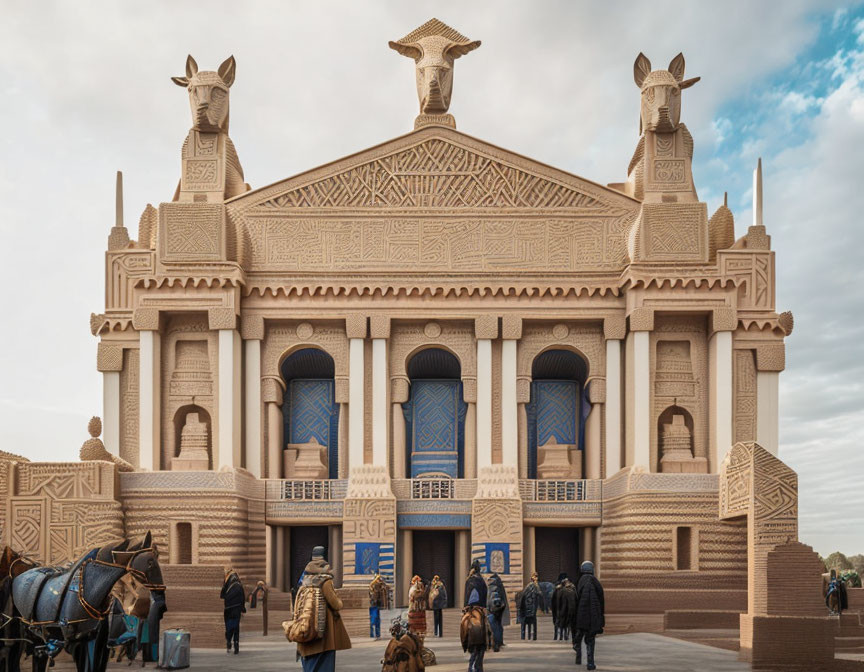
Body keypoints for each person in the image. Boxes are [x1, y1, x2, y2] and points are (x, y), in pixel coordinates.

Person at [295, 546, 352, 671]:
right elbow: (336, 604)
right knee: (324, 664)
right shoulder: (325, 580)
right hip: (324, 634)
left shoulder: (304, 580)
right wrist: (339, 600)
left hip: (307, 628)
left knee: (310, 663)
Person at [571, 561, 604, 671]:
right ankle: (590, 663)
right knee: (591, 639)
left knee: (580, 635)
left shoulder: (579, 582)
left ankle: (578, 656)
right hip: (594, 615)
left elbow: (575, 601)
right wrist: (601, 618)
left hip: (582, 615)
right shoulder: (597, 583)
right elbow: (601, 601)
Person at [461, 574, 492, 672]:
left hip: (469, 608)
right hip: (480, 608)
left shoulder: (468, 580)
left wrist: (465, 606)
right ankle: (479, 665)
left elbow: (466, 595)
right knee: (487, 629)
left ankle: (470, 665)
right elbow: (485, 595)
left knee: (464, 627)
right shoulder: (481, 580)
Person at [220, 569, 246, 655]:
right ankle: (236, 643)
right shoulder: (239, 585)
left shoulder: (228, 584)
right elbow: (243, 598)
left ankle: (228, 641)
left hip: (228, 609)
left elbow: (222, 595)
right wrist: (242, 609)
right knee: (236, 627)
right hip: (237, 609)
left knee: (229, 626)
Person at [485, 573, 509, 652]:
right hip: (499, 610)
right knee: (498, 627)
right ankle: (499, 643)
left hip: (491, 610)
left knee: (493, 627)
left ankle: (494, 644)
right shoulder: (499, 586)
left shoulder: (490, 586)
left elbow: (488, 599)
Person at [518, 572, 542, 640]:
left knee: (525, 623)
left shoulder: (527, 586)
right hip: (531, 608)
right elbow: (540, 594)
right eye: (536, 577)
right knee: (533, 622)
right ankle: (534, 636)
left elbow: (523, 595)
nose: (536, 578)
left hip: (527, 607)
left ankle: (524, 636)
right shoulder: (535, 586)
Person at [551, 573, 575, 641]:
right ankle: (565, 635)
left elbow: (553, 600)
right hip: (567, 609)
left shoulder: (557, 589)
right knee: (566, 622)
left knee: (558, 621)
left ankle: (558, 636)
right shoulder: (572, 588)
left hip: (560, 609)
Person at [370, 574, 391, 640]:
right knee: (377, 620)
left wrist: (373, 602)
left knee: (375, 620)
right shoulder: (382, 586)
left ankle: (377, 634)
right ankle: (378, 634)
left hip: (376, 605)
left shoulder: (376, 585)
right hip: (380, 605)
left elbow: (374, 596)